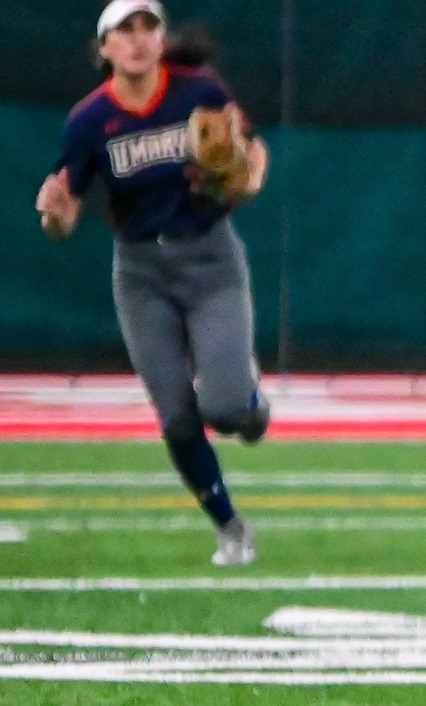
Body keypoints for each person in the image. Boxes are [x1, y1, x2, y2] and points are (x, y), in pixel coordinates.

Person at [36, 0, 272, 567]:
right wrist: (54, 215)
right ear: (105, 48)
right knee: (176, 416)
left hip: (210, 260)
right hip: (142, 275)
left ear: (162, 39)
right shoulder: (89, 120)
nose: (138, 38)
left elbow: (253, 149)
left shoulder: (197, 90)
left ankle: (249, 403)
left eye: (149, 27)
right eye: (125, 29)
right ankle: (231, 527)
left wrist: (248, 178)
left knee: (223, 407)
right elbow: (64, 218)